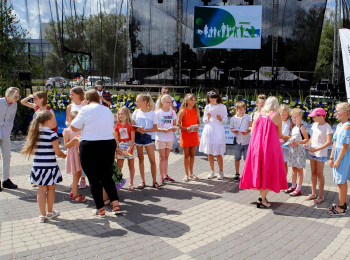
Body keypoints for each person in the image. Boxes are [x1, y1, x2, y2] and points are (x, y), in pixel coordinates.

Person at [70, 89, 121, 217]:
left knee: (93, 179)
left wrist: (82, 109)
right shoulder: (107, 109)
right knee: (106, 176)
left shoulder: (85, 109)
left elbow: (73, 126)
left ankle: (100, 209)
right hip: (108, 144)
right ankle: (115, 203)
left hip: (90, 145)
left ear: (86, 99)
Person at [240, 96, 288, 208]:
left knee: (261, 171)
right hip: (270, 147)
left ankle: (263, 197)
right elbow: (280, 135)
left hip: (256, 145)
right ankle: (261, 199)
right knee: (269, 171)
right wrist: (287, 137)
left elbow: (254, 129)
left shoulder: (258, 114)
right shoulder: (276, 116)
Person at [21, 111, 66, 223]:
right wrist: (65, 156)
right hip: (50, 166)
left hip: (38, 166)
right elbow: (57, 151)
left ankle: (42, 215)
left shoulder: (34, 133)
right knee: (51, 188)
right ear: (48, 121)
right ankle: (50, 212)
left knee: (41, 190)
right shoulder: (52, 134)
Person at [132, 94, 162, 189]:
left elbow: (155, 128)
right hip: (138, 137)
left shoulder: (152, 113)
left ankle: (154, 181)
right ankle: (142, 181)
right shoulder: (136, 112)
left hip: (147, 137)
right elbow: (132, 126)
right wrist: (137, 130)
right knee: (141, 159)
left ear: (144, 102)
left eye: (138, 101)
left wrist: (145, 131)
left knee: (152, 160)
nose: (136, 103)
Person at [304, 108, 333, 204]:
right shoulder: (315, 125)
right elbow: (313, 137)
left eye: (314, 117)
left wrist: (317, 149)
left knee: (319, 174)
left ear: (321, 116)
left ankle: (321, 196)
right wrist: (308, 143)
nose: (312, 119)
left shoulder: (327, 127)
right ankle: (313, 194)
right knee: (313, 173)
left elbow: (329, 142)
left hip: (320, 154)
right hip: (312, 152)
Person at [328, 102, 350, 215]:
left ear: (345, 112)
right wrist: (331, 157)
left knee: (341, 181)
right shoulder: (340, 125)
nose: (336, 113)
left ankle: (342, 206)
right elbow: (335, 141)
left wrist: (338, 160)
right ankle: (341, 202)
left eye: (338, 111)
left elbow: (345, 146)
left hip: (343, 156)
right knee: (338, 180)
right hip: (338, 155)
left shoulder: (347, 126)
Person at [200, 90, 227, 180]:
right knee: (210, 152)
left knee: (218, 152)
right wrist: (207, 117)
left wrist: (220, 119)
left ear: (217, 98)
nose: (212, 101)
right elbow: (204, 120)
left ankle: (221, 171)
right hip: (209, 129)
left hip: (218, 129)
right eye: (210, 99)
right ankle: (212, 171)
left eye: (213, 99)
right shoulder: (207, 107)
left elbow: (225, 120)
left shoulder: (222, 107)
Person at [65, 86, 87, 189]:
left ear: (79, 95)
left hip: (83, 133)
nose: (71, 96)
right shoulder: (70, 106)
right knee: (75, 158)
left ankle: (83, 179)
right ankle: (75, 180)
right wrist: (69, 124)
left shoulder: (84, 105)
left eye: (72, 94)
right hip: (73, 133)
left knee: (83, 157)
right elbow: (67, 120)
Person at [63, 111, 86, 202]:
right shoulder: (67, 131)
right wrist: (73, 140)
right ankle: (75, 195)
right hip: (73, 153)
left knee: (80, 173)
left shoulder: (81, 129)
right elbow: (66, 145)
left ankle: (73, 191)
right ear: (70, 120)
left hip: (80, 152)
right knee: (76, 174)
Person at [285, 108, 309, 196]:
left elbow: (306, 139)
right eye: (292, 117)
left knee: (299, 170)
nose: (294, 119)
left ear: (300, 117)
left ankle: (299, 188)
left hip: (299, 151)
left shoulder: (301, 127)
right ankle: (293, 186)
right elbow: (292, 138)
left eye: (296, 117)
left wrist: (298, 143)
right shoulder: (294, 127)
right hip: (293, 150)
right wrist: (289, 141)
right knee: (294, 169)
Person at [0, 87, 20, 190]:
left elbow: (11, 119)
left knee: (7, 156)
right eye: (15, 96)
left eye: (18, 96)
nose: (17, 98)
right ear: (8, 96)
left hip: (6, 133)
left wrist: (8, 131)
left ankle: (6, 180)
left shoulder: (14, 105)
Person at [155, 94, 177, 186]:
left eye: (171, 102)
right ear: (163, 102)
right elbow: (155, 128)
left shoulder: (172, 112)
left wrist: (174, 128)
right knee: (161, 157)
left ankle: (166, 175)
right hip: (160, 138)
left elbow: (175, 126)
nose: (170, 104)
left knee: (166, 157)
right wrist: (163, 130)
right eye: (168, 102)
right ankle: (161, 177)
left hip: (170, 137)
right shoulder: (158, 113)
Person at [177, 93, 201, 182]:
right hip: (186, 134)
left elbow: (199, 122)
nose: (193, 102)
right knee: (186, 155)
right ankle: (186, 174)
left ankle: (191, 173)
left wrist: (197, 126)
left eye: (194, 100)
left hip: (194, 134)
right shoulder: (183, 111)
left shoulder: (196, 110)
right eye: (191, 100)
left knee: (192, 155)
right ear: (187, 100)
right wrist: (186, 128)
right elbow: (178, 124)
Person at [114, 106, 137, 191]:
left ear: (126, 114)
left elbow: (132, 138)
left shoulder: (130, 125)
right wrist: (117, 147)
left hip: (129, 146)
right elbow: (116, 138)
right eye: (119, 114)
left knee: (131, 165)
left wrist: (130, 148)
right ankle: (118, 181)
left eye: (122, 114)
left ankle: (131, 183)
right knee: (119, 166)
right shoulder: (117, 125)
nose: (120, 115)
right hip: (121, 146)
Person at [230, 101, 252, 181]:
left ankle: (246, 174)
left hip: (247, 141)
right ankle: (237, 173)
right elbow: (231, 128)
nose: (242, 111)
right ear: (237, 110)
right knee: (237, 158)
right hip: (238, 140)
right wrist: (234, 131)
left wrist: (247, 131)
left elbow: (251, 127)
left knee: (247, 159)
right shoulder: (233, 118)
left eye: (243, 109)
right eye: (240, 110)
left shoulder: (248, 117)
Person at [155, 87, 180, 153]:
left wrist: (171, 106)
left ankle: (175, 146)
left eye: (167, 92)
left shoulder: (172, 99)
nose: (165, 93)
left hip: (170, 118)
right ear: (161, 92)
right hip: (161, 130)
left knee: (172, 133)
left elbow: (175, 108)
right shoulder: (159, 101)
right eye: (164, 92)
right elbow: (156, 109)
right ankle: (173, 146)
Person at [280, 104, 293, 176]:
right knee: (278, 162)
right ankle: (278, 178)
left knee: (285, 162)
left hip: (285, 144)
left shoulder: (290, 122)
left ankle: (284, 178)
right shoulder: (278, 121)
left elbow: (292, 133)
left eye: (286, 114)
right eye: (282, 114)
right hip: (278, 143)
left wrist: (289, 137)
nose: (284, 116)